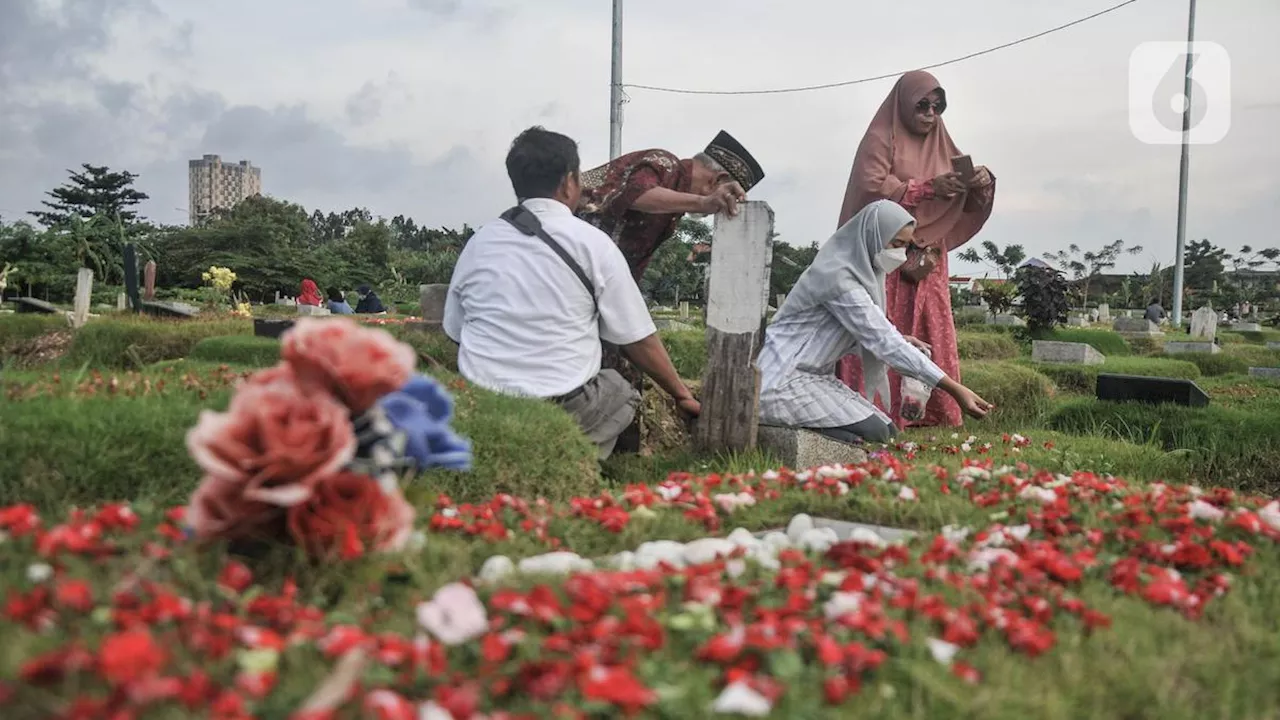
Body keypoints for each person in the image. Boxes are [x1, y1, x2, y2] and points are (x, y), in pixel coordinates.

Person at [444, 126, 700, 460]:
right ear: (569, 182)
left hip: (486, 400)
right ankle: (575, 460)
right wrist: (681, 394)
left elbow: (455, 330)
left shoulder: (478, 243)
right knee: (622, 391)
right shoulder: (594, 244)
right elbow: (638, 339)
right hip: (564, 403)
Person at [577, 131, 765, 451]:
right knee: (602, 377)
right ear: (716, 180)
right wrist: (703, 202)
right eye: (725, 196)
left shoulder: (672, 210)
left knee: (624, 375)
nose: (711, 212)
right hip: (568, 276)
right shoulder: (663, 164)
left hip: (599, 292)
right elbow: (635, 194)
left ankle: (610, 464)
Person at [834, 70, 996, 429]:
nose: (930, 114)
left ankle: (933, 414)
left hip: (929, 258)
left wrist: (978, 184)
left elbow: (962, 204)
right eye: (922, 105)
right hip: (886, 252)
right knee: (882, 325)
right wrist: (926, 188)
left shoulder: (942, 142)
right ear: (904, 105)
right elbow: (871, 186)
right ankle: (873, 412)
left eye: (937, 107)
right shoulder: (882, 137)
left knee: (929, 327)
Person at [759, 200, 992, 444]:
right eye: (896, 244)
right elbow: (884, 342)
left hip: (810, 377)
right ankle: (773, 436)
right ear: (872, 236)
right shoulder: (838, 277)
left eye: (905, 246)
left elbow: (844, 334)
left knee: (886, 431)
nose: (900, 254)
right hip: (781, 380)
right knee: (874, 435)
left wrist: (901, 339)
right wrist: (954, 389)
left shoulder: (857, 274)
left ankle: (796, 435)